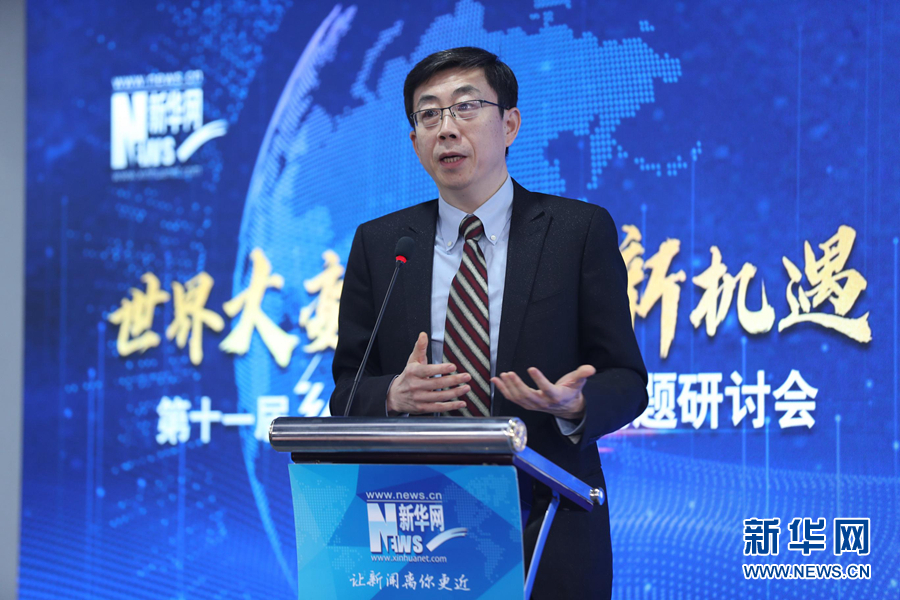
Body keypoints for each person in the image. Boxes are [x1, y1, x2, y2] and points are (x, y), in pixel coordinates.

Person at [330, 47, 648, 599]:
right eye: (429, 114)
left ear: (510, 124)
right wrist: (393, 396)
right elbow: (346, 392)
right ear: (415, 141)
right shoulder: (383, 245)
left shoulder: (576, 232)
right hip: (417, 525)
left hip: (546, 518)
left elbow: (627, 379)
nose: (447, 129)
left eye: (466, 107)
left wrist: (575, 405)